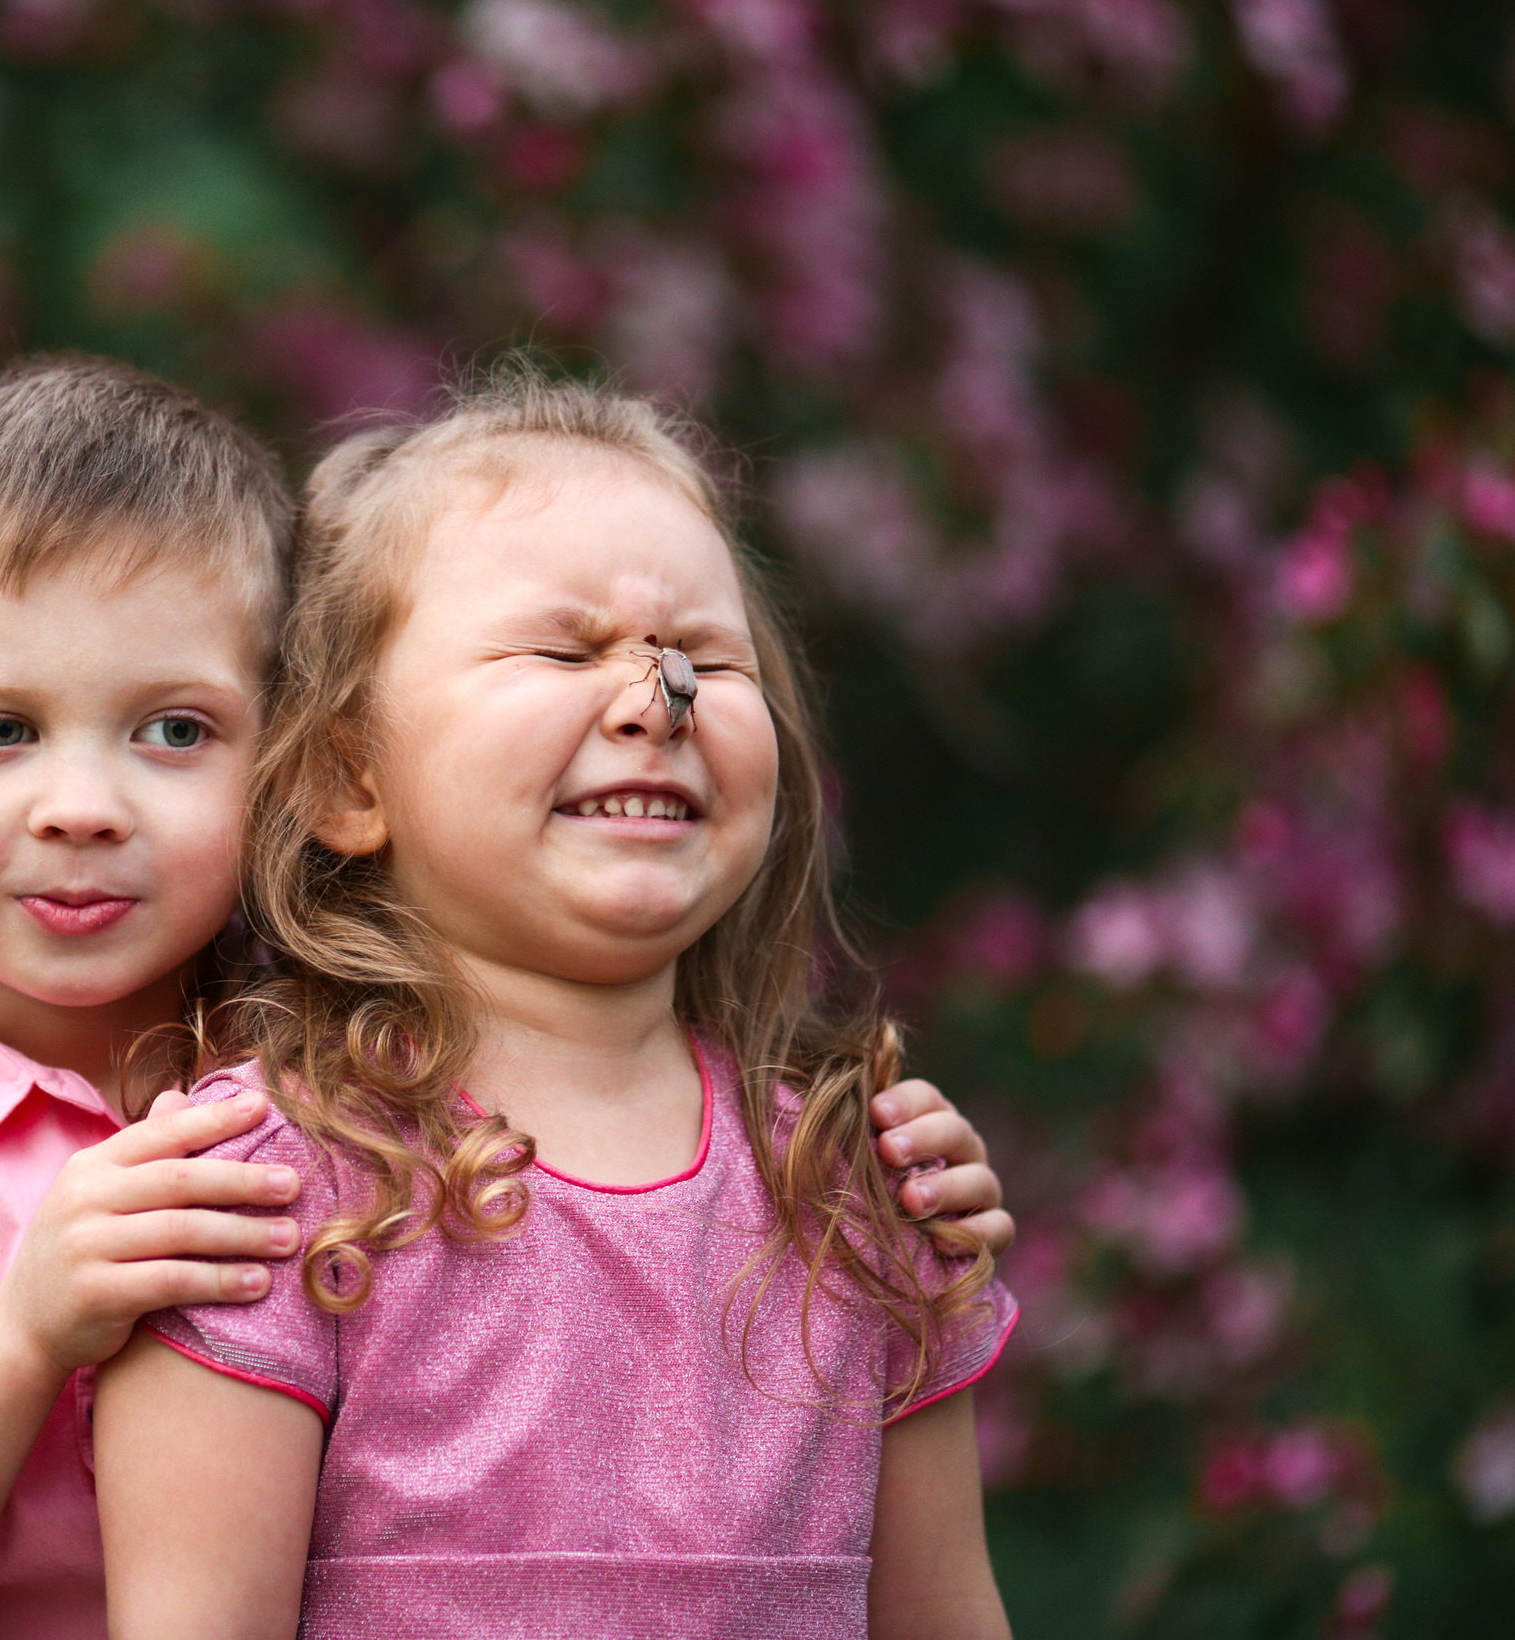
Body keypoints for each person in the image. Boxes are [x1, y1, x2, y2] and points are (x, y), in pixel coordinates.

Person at [0, 356, 1016, 1640]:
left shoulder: (360, 1094)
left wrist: (876, 1178)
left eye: (176, 730)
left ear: (290, 760)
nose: (84, 807)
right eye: (0, 730)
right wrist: (24, 1331)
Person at [95, 370, 1020, 1640]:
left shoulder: (857, 1189)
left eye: (704, 656)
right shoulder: (260, 1190)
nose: (655, 700)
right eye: (561, 649)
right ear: (345, 776)